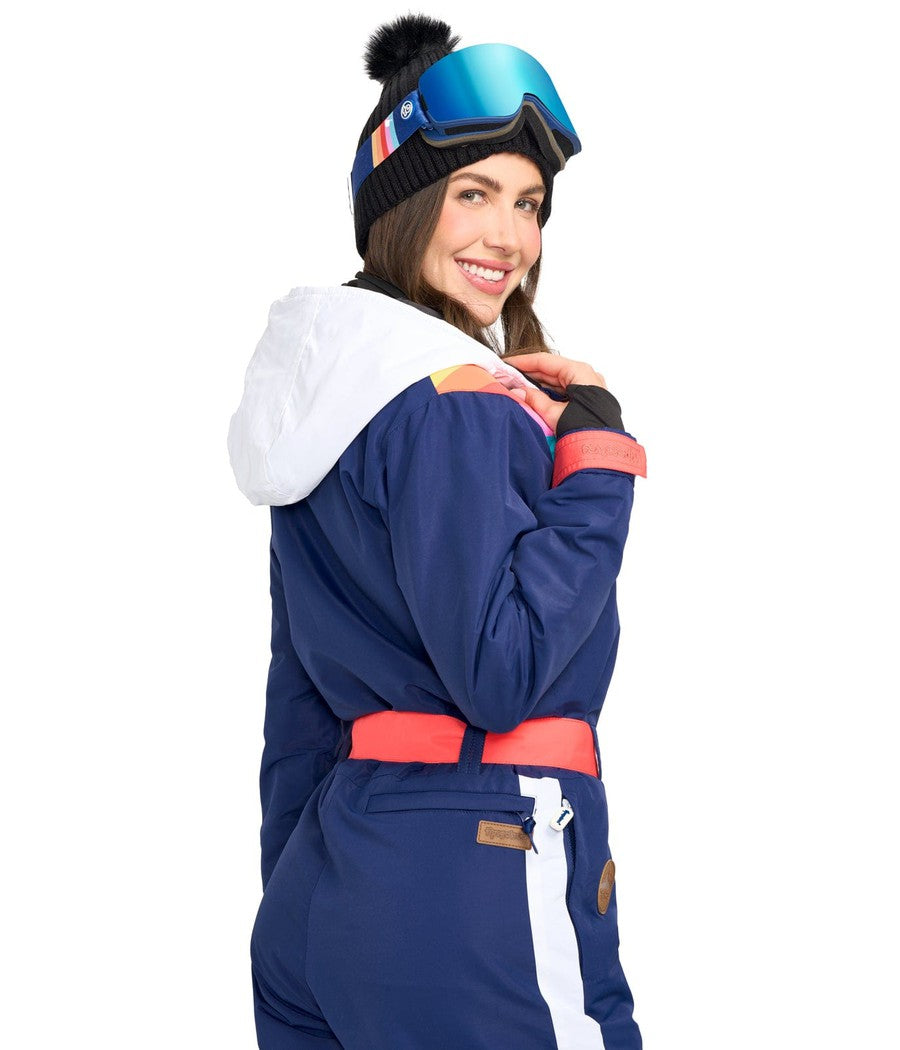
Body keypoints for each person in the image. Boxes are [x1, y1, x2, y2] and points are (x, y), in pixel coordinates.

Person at [228, 14, 646, 1050]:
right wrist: (599, 456)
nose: (508, 237)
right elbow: (502, 674)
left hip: (330, 890)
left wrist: (316, 892)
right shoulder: (453, 398)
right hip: (480, 874)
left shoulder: (333, 397)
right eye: (473, 193)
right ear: (402, 202)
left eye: (529, 204)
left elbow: (298, 700)